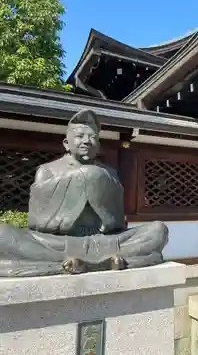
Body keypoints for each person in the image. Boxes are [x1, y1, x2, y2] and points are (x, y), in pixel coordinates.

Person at [0, 110, 169, 277]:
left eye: (92, 138)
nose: (87, 141)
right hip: (57, 243)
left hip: (105, 242)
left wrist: (97, 181)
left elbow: (116, 221)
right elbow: (36, 222)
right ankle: (86, 262)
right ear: (66, 143)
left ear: (98, 146)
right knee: (3, 234)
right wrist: (82, 177)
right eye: (80, 136)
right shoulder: (48, 171)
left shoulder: (108, 172)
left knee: (158, 230)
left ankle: (66, 263)